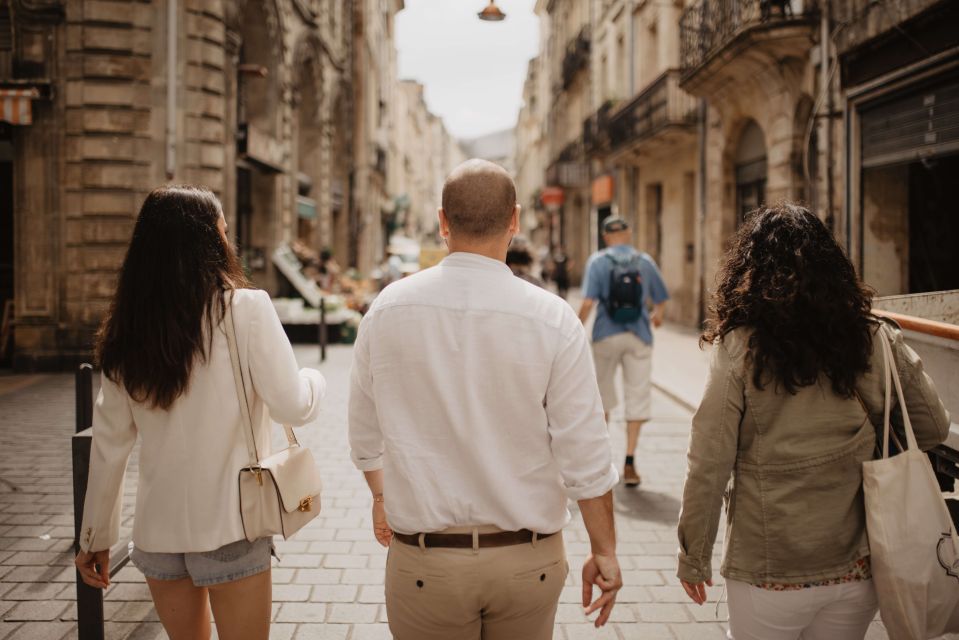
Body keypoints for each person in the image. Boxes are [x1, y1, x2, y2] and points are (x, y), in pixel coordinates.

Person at [349, 159, 622, 640]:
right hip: (527, 559)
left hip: (425, 562)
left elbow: (363, 433)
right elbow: (585, 450)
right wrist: (604, 549)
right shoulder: (553, 318)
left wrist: (379, 494)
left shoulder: (387, 309)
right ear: (514, 220)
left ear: (442, 221)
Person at [677, 203, 950, 639]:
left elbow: (709, 459)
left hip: (767, 567)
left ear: (748, 271)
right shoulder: (874, 335)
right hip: (856, 565)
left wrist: (694, 555)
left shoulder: (739, 346)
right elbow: (933, 426)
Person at [75, 186, 326, 640]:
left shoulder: (127, 329)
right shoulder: (245, 309)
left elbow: (109, 445)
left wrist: (94, 537)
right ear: (211, 244)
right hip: (232, 524)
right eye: (223, 232)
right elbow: (294, 405)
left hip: (157, 533)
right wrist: (315, 379)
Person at [578, 217, 669, 487]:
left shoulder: (598, 261)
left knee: (603, 397)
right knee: (637, 395)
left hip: (606, 334)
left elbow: (587, 302)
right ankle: (629, 463)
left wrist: (574, 328)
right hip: (638, 335)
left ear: (606, 237)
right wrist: (657, 316)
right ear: (629, 233)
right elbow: (661, 300)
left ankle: (602, 462)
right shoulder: (644, 261)